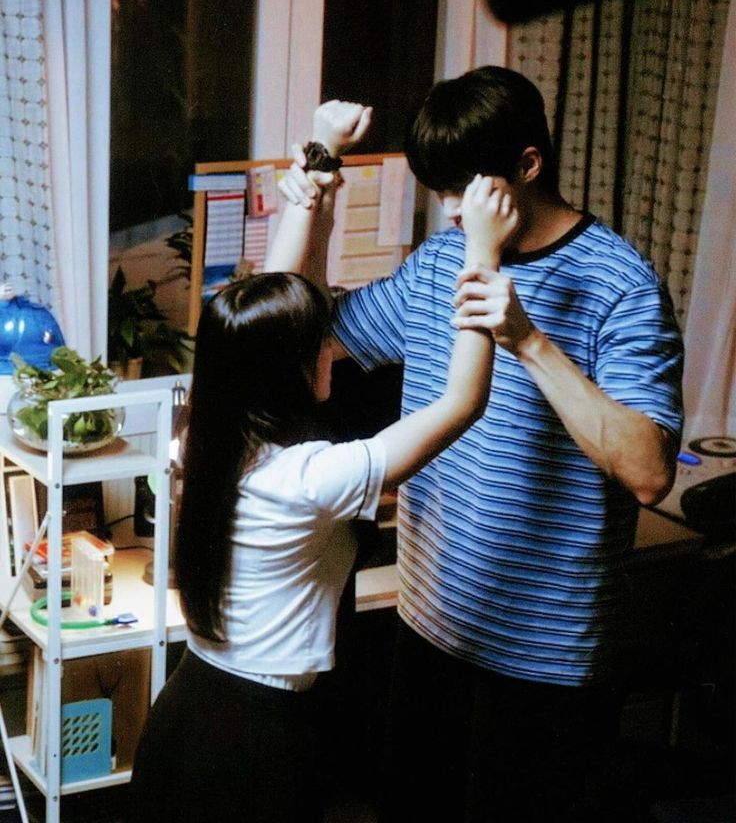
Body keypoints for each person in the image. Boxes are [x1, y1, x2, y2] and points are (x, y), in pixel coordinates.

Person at [282, 70, 684, 822]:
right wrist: (319, 198)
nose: (450, 210)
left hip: (546, 656)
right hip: (431, 623)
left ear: (529, 166)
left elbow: (649, 472)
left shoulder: (621, 283)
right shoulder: (441, 262)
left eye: (461, 189)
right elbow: (315, 343)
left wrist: (528, 340)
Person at [127, 100, 519, 823]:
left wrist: (321, 162)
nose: (332, 346)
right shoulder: (307, 479)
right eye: (321, 344)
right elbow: (461, 403)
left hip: (189, 713)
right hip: (251, 738)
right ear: (295, 366)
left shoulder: (208, 436)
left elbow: (270, 306)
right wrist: (482, 254)